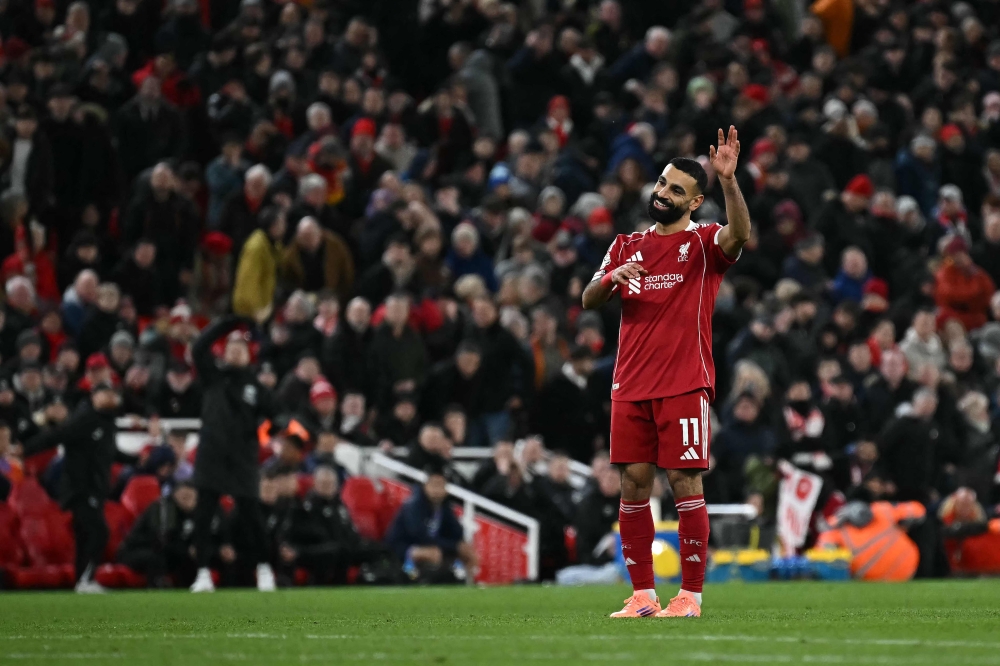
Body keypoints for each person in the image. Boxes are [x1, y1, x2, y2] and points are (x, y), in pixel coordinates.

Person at [580, 127, 749, 618]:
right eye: (661, 183)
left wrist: (729, 182)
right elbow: (589, 298)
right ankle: (643, 596)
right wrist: (611, 279)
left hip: (683, 383)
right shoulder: (625, 245)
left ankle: (690, 597)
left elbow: (740, 234)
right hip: (630, 385)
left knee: (684, 484)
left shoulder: (703, 244)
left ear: (695, 202)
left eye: (676, 190)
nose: (662, 193)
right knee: (633, 486)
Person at [188, 313, 278, 593]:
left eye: (241, 348)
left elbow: (276, 418)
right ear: (224, 352)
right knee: (203, 516)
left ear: (249, 355)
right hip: (211, 455)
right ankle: (203, 573)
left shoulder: (257, 388)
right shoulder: (212, 376)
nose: (236, 352)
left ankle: (264, 569)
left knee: (252, 516)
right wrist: (228, 323)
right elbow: (198, 347)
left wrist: (261, 433)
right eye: (231, 347)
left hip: (242, 458)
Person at [22, 381, 123, 593]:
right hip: (81, 488)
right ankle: (86, 578)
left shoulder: (108, 422)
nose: (109, 397)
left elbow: (111, 453)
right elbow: (56, 435)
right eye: (104, 393)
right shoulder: (84, 419)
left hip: (96, 488)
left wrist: (136, 459)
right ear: (94, 397)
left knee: (84, 536)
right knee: (99, 532)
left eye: (112, 394)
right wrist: (25, 450)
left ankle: (81, 582)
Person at [385, 464, 478, 583]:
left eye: (441, 485)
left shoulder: (443, 507)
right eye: (434, 485)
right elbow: (420, 536)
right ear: (425, 486)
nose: (437, 490)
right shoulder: (414, 505)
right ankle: (421, 580)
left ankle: (466, 584)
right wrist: (453, 546)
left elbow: (456, 532)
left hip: (432, 544)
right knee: (433, 553)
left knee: (466, 551)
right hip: (403, 547)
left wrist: (461, 546)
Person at [116, 482, 200, 588]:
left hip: (166, 551)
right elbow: (161, 541)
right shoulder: (163, 509)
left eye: (192, 498)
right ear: (175, 495)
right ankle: (158, 586)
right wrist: (187, 550)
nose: (189, 501)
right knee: (157, 558)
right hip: (135, 550)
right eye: (184, 497)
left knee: (189, 560)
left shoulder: (195, 513)